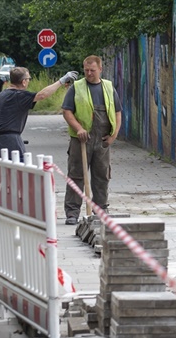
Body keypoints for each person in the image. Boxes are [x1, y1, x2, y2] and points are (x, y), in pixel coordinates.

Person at [0, 66, 76, 228]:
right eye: (28, 79)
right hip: (11, 141)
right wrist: (62, 80)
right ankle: (21, 214)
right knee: (21, 178)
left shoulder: (2, 95)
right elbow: (42, 95)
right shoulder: (19, 95)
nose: (28, 81)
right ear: (24, 81)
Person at [61, 55, 122, 225]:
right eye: (86, 70)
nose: (89, 73)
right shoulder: (76, 87)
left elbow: (117, 113)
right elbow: (67, 111)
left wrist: (114, 135)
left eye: (92, 70)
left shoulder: (109, 88)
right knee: (76, 175)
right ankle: (72, 213)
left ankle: (100, 209)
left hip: (102, 139)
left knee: (102, 175)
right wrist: (79, 128)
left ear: (100, 69)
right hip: (81, 139)